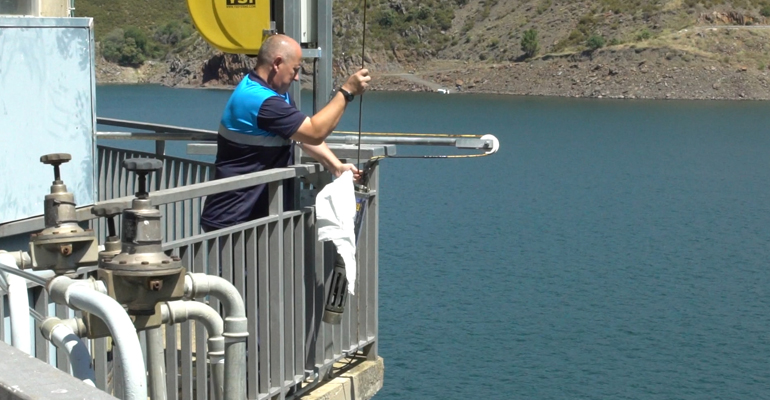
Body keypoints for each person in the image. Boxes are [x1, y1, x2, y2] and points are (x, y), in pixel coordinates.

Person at [200, 34, 370, 232]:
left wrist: (336, 167)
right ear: (277, 63)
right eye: (295, 70)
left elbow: (300, 133)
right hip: (233, 219)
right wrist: (347, 92)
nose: (297, 77)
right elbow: (315, 132)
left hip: (253, 217)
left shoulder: (272, 93)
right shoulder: (260, 101)